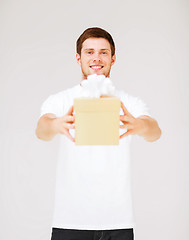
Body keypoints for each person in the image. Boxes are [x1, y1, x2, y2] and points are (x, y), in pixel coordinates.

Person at [36, 27, 161, 240]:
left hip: (118, 219)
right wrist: (56, 124)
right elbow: (42, 129)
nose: (97, 58)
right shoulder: (62, 100)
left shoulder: (128, 101)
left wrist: (139, 126)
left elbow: (154, 131)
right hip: (71, 219)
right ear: (78, 58)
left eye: (103, 52)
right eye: (89, 52)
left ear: (113, 59)